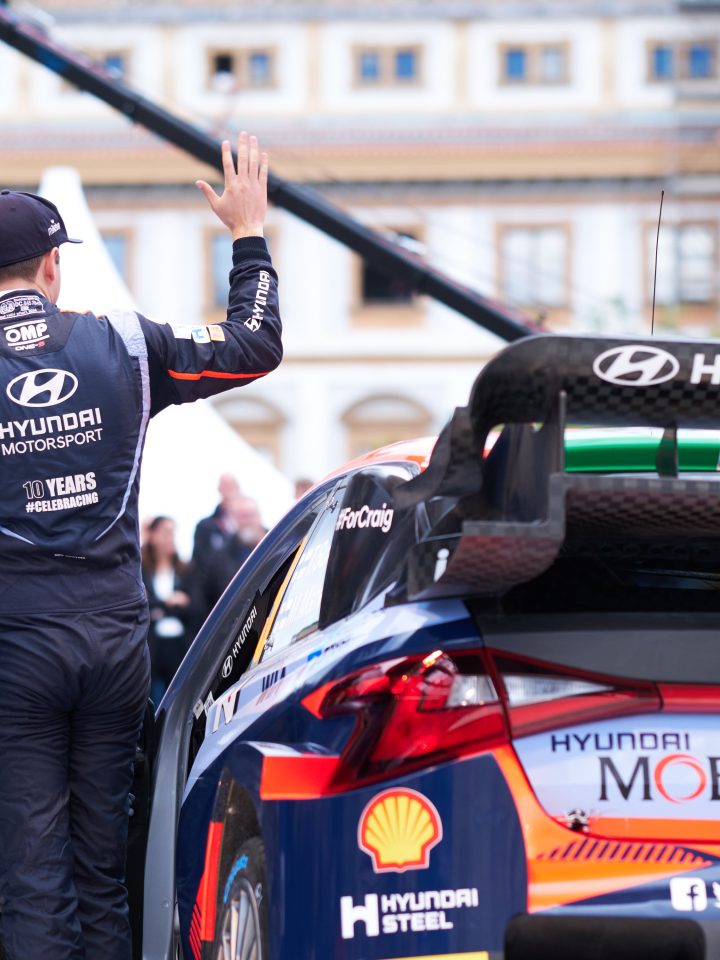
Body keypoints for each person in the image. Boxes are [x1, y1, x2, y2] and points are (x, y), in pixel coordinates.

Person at [0, 132, 281, 960]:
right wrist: (248, 235)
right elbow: (254, 343)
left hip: (17, 645)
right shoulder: (124, 342)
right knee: (101, 868)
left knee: (32, 870)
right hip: (115, 643)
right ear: (53, 267)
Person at [141, 515, 200, 704]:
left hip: (180, 645)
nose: (170, 538)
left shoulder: (187, 570)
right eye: (166, 533)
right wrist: (171, 604)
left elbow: (194, 607)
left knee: (179, 700)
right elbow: (142, 606)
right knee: (152, 700)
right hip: (151, 646)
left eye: (173, 533)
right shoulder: (141, 570)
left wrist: (158, 608)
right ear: (152, 536)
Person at [198, 493, 267, 614]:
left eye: (250, 515)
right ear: (234, 520)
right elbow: (208, 599)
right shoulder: (219, 558)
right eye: (242, 517)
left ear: (259, 516)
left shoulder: (279, 542)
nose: (247, 521)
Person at [191, 470, 241, 565]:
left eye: (232, 487)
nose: (229, 492)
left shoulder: (249, 523)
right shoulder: (206, 527)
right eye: (225, 487)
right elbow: (198, 561)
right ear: (219, 489)